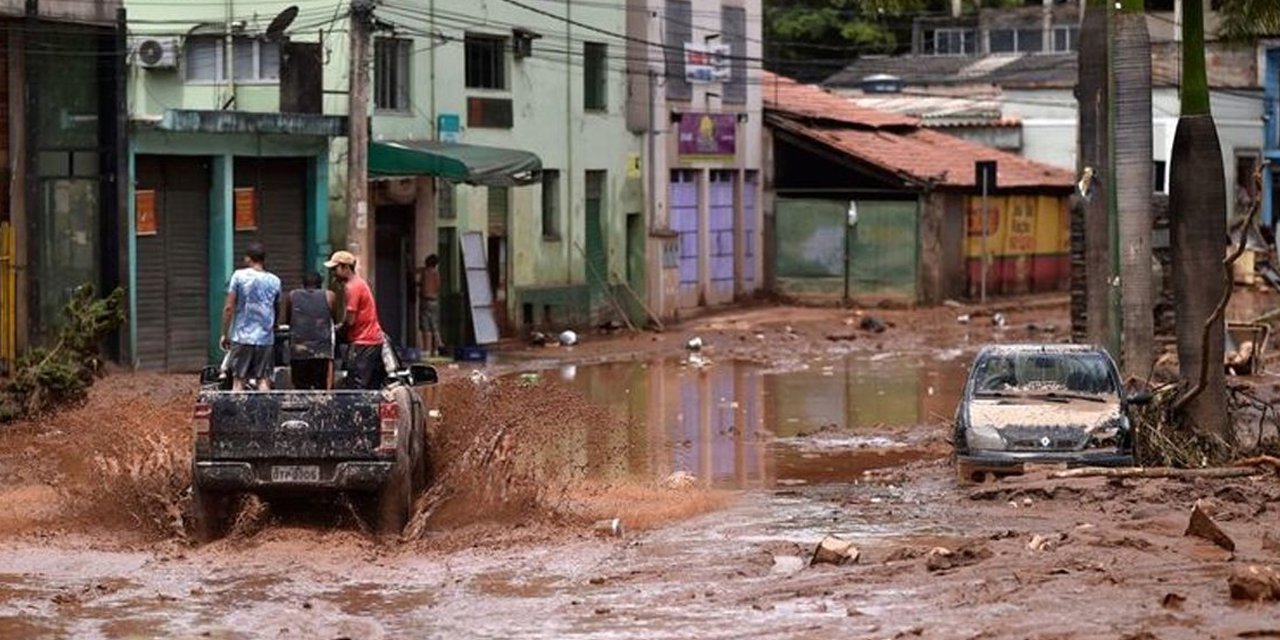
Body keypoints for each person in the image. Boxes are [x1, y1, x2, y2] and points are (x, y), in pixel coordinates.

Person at [220, 242, 282, 391]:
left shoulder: (238, 276)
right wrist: (273, 327)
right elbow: (277, 308)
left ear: (248, 258)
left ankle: (238, 407)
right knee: (264, 381)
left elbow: (229, 307)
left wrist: (225, 334)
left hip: (242, 337)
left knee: (238, 381)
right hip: (265, 339)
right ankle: (265, 407)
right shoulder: (275, 280)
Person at [325, 250, 387, 389]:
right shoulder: (359, 283)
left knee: (356, 387)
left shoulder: (352, 287)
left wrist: (338, 329)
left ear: (346, 267)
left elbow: (350, 320)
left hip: (363, 342)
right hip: (370, 341)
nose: (333, 273)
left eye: (335, 269)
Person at [284, 271, 337, 390]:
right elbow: (334, 318)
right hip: (322, 350)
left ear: (303, 284)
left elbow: (288, 319)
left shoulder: (292, 295)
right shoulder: (329, 296)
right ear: (320, 284)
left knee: (301, 387)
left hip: (299, 349)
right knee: (321, 387)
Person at [416, 254, 444, 358]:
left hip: (425, 300)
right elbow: (438, 286)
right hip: (435, 301)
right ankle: (436, 349)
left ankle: (426, 349)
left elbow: (422, 283)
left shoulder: (425, 272)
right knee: (434, 326)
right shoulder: (436, 273)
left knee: (426, 327)